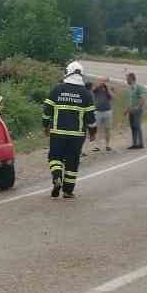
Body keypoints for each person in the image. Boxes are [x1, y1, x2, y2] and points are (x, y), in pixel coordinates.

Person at [43, 61, 98, 199]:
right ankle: (68, 191)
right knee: (72, 162)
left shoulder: (57, 89)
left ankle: (57, 177)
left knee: (55, 157)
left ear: (67, 72)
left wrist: (45, 126)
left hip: (58, 132)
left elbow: (47, 110)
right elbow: (91, 117)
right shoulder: (86, 94)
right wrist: (93, 132)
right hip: (77, 135)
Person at [91, 77, 114, 152]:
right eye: (102, 80)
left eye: (105, 81)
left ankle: (107, 145)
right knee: (97, 129)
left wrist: (107, 88)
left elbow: (112, 97)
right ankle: (97, 146)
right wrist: (99, 85)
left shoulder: (109, 88)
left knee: (107, 129)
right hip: (98, 111)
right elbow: (93, 90)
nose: (103, 82)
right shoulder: (97, 87)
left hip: (107, 111)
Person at [125, 72, 147, 149]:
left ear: (131, 79)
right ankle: (134, 143)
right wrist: (127, 110)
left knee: (137, 126)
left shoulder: (139, 87)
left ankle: (140, 143)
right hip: (131, 110)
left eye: (127, 79)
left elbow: (142, 98)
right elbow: (131, 101)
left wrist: (138, 107)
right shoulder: (131, 88)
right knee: (133, 127)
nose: (126, 80)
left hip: (137, 110)